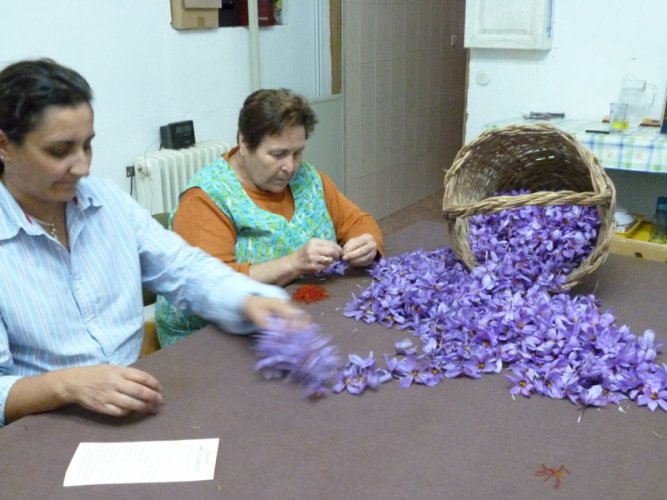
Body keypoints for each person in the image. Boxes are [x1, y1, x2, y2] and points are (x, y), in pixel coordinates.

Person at [0, 59, 308, 427]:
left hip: (134, 400)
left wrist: (248, 300)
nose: (82, 167)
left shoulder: (106, 201)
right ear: (4, 144)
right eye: (59, 151)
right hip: (43, 426)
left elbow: (182, 268)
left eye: (87, 146)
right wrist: (65, 385)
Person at [156, 88, 383, 347]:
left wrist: (367, 243)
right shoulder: (206, 198)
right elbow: (213, 285)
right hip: (210, 338)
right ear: (243, 143)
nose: (290, 166)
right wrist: (294, 263)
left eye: (297, 152)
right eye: (277, 154)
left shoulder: (308, 178)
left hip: (292, 315)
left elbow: (357, 221)